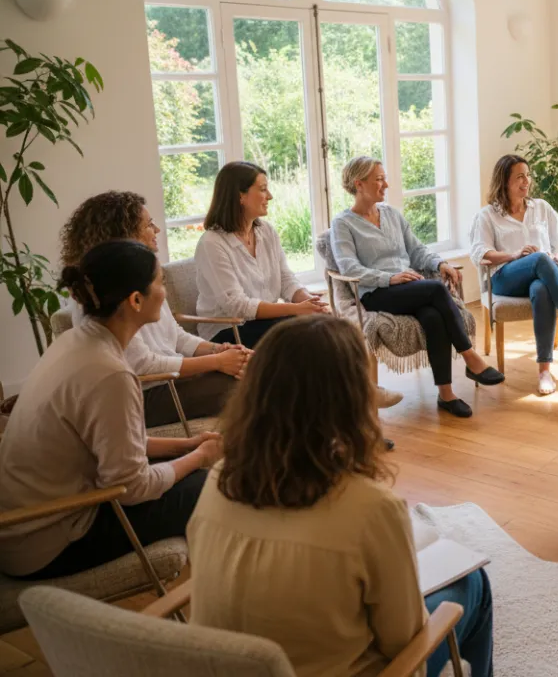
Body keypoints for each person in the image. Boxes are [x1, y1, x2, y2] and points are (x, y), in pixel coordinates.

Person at [187, 315, 493, 677]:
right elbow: (403, 643)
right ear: (354, 403)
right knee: (473, 583)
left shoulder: (220, 478)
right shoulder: (371, 508)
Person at [0, 240, 222, 579]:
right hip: (47, 541)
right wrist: (200, 457)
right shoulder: (111, 374)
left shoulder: (75, 342)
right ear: (136, 300)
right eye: (160, 282)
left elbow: (115, 445)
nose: (165, 292)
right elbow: (133, 487)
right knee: (207, 485)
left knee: (193, 475)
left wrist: (186, 446)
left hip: (24, 529)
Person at [332, 157, 504, 418]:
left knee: (433, 317)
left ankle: (446, 395)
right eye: (379, 179)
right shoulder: (343, 224)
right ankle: (470, 356)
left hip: (408, 288)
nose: (386, 184)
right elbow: (349, 269)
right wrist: (390, 278)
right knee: (436, 289)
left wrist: (440, 263)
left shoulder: (391, 215)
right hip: (376, 293)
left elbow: (417, 250)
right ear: (359, 184)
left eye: (384, 178)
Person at [60, 191, 248, 427]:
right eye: (149, 225)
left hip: (170, 380)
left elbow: (176, 336)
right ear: (124, 233)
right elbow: (143, 365)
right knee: (251, 383)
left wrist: (216, 349)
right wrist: (217, 362)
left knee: (257, 368)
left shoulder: (142, 276)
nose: (157, 230)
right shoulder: (104, 296)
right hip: (145, 394)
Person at [468, 154, 558, 396]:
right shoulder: (488, 215)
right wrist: (514, 255)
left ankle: (544, 371)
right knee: (540, 258)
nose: (527, 181)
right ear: (504, 181)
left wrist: (557, 258)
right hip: (505, 279)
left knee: (542, 287)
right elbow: (480, 253)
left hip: (542, 276)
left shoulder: (541, 207)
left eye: (528, 175)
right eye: (519, 177)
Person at [194, 161, 328, 349]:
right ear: (240, 196)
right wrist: (296, 309)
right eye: (263, 189)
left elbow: (286, 279)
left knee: (325, 326)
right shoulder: (212, 243)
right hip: (229, 330)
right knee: (309, 336)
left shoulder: (266, 231)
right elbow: (236, 305)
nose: (270, 196)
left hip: (266, 323)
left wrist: (310, 302)